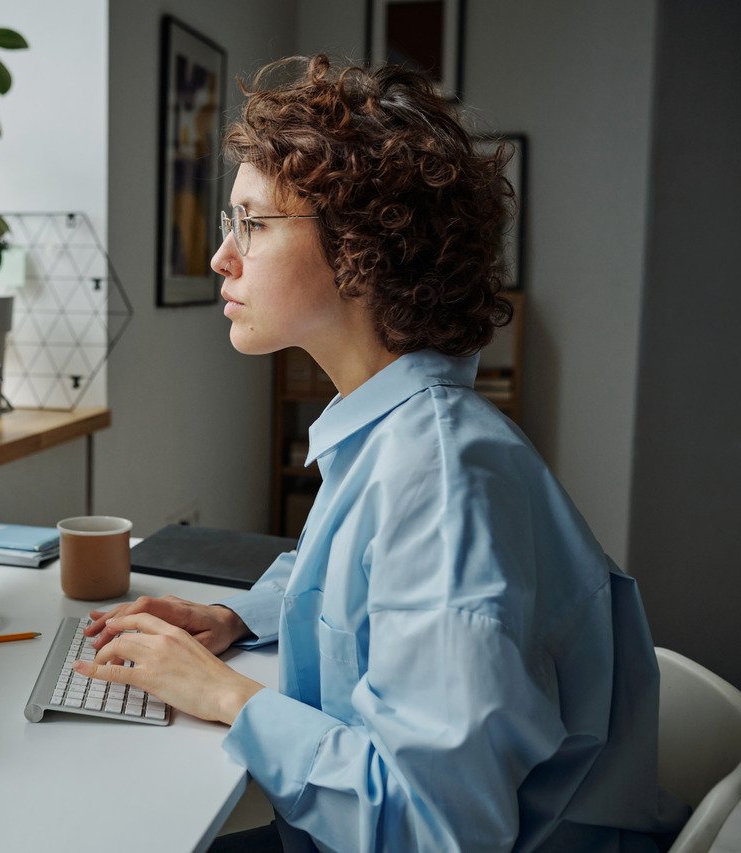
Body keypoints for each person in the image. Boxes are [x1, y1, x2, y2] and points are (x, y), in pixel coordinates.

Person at [75, 56, 690, 851]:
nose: (222, 259)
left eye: (252, 224)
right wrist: (230, 617)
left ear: (361, 246)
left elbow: (437, 829)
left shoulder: (439, 478)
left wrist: (228, 697)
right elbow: (342, 579)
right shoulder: (392, 429)